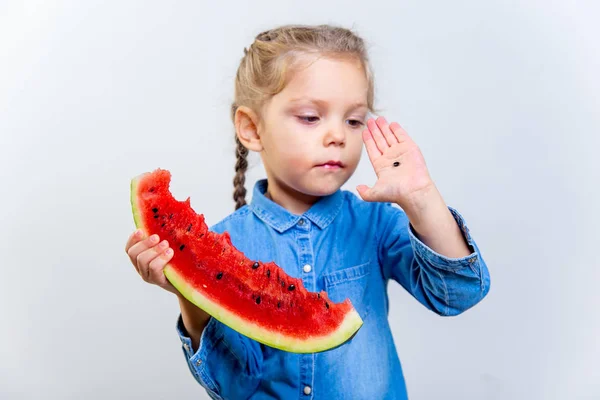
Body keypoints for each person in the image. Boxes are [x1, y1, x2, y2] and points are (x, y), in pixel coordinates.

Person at [125, 24, 491, 400]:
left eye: (353, 120)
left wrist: (421, 198)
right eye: (310, 117)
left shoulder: (375, 222)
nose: (338, 135)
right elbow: (234, 386)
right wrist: (190, 286)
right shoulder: (227, 243)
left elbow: (457, 294)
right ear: (251, 130)